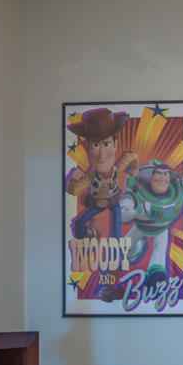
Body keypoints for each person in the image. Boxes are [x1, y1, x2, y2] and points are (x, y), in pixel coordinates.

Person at [66, 108, 139, 301]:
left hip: (114, 203)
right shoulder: (91, 175)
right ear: (89, 148)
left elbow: (131, 157)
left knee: (116, 243)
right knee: (79, 226)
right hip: (97, 204)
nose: (101, 154)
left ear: (115, 144)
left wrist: (135, 168)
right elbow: (74, 190)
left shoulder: (117, 169)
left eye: (106, 144)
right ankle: (91, 235)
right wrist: (74, 179)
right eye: (95, 145)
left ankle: (110, 287)